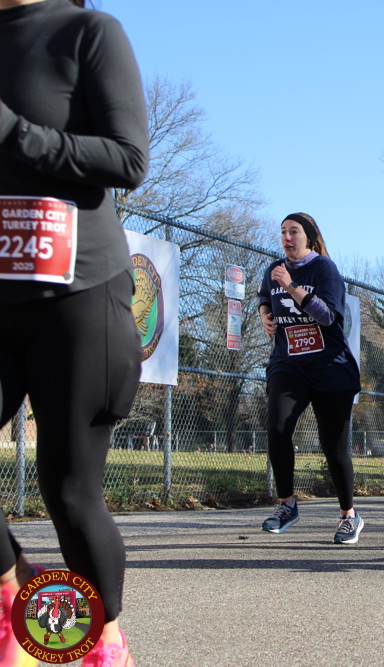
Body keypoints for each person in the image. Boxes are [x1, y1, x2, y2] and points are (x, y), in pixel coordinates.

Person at [0, 0, 149, 663]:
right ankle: (13, 596)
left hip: (77, 293)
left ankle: (103, 644)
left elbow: (128, 158)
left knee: (69, 490)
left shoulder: (87, 33)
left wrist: (12, 131)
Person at [257, 213, 364, 544]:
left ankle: (349, 515)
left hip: (330, 367)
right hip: (288, 365)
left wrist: (290, 286)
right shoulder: (273, 269)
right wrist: (265, 315)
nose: (287, 238)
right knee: (277, 427)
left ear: (310, 237)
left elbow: (328, 316)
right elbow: (264, 297)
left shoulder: (324, 269)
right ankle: (287, 504)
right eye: (283, 232)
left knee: (334, 446)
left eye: (294, 232)